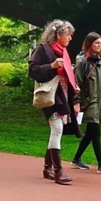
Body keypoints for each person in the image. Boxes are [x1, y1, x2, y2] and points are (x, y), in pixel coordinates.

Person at [28, 20, 80, 185]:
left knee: (57, 130)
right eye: (68, 35)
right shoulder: (42, 49)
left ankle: (47, 167)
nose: (70, 38)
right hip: (49, 97)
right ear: (58, 35)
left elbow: (69, 78)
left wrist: (76, 99)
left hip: (63, 96)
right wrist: (51, 66)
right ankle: (58, 171)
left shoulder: (64, 52)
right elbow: (32, 70)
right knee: (57, 128)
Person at [71, 32, 101, 174]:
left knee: (91, 132)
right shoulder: (81, 61)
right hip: (89, 102)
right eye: (97, 43)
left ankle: (76, 158)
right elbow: (76, 83)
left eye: (100, 43)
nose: (99, 45)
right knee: (95, 132)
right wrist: (76, 101)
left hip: (99, 103)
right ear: (89, 43)